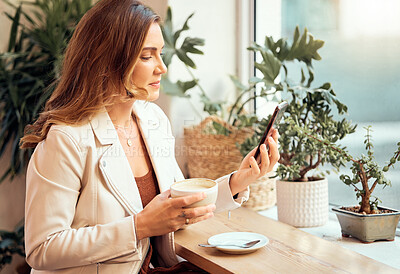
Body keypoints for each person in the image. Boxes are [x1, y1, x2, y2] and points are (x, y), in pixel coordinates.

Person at [20, 0, 279, 273]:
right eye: (147, 56)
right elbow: (42, 249)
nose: (161, 67)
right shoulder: (66, 140)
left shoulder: (153, 120)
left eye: (161, 54)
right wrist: (140, 226)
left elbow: (178, 203)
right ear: (107, 60)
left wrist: (239, 180)